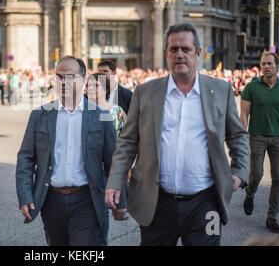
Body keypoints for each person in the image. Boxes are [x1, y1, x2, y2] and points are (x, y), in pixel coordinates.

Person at [105, 23, 250, 246]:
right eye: (173, 49)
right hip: (156, 204)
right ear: (166, 53)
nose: (179, 54)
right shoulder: (146, 92)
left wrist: (240, 171)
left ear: (198, 53)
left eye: (186, 49)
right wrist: (115, 181)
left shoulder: (220, 90)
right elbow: (127, 141)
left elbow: (238, 135)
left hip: (206, 204)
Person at [16, 56, 117, 246]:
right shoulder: (40, 115)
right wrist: (25, 196)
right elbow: (26, 159)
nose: (63, 82)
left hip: (86, 199)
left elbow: (113, 160)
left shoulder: (101, 116)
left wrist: (121, 201)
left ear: (83, 80)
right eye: (59, 77)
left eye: (69, 77)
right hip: (51, 200)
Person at [240, 52, 279, 233]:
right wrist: (242, 136)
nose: (266, 67)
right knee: (257, 174)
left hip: (278, 138)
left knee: (278, 179)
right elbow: (244, 114)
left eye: (269, 63)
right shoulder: (251, 88)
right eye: (263, 64)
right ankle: (250, 194)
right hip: (257, 136)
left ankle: (272, 217)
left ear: (277, 66)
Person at [86, 72, 128, 246]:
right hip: (87, 172)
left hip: (109, 173)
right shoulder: (81, 111)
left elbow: (129, 141)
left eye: (96, 85)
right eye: (88, 85)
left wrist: (128, 166)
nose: (91, 89)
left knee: (101, 220)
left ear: (106, 90)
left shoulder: (117, 112)